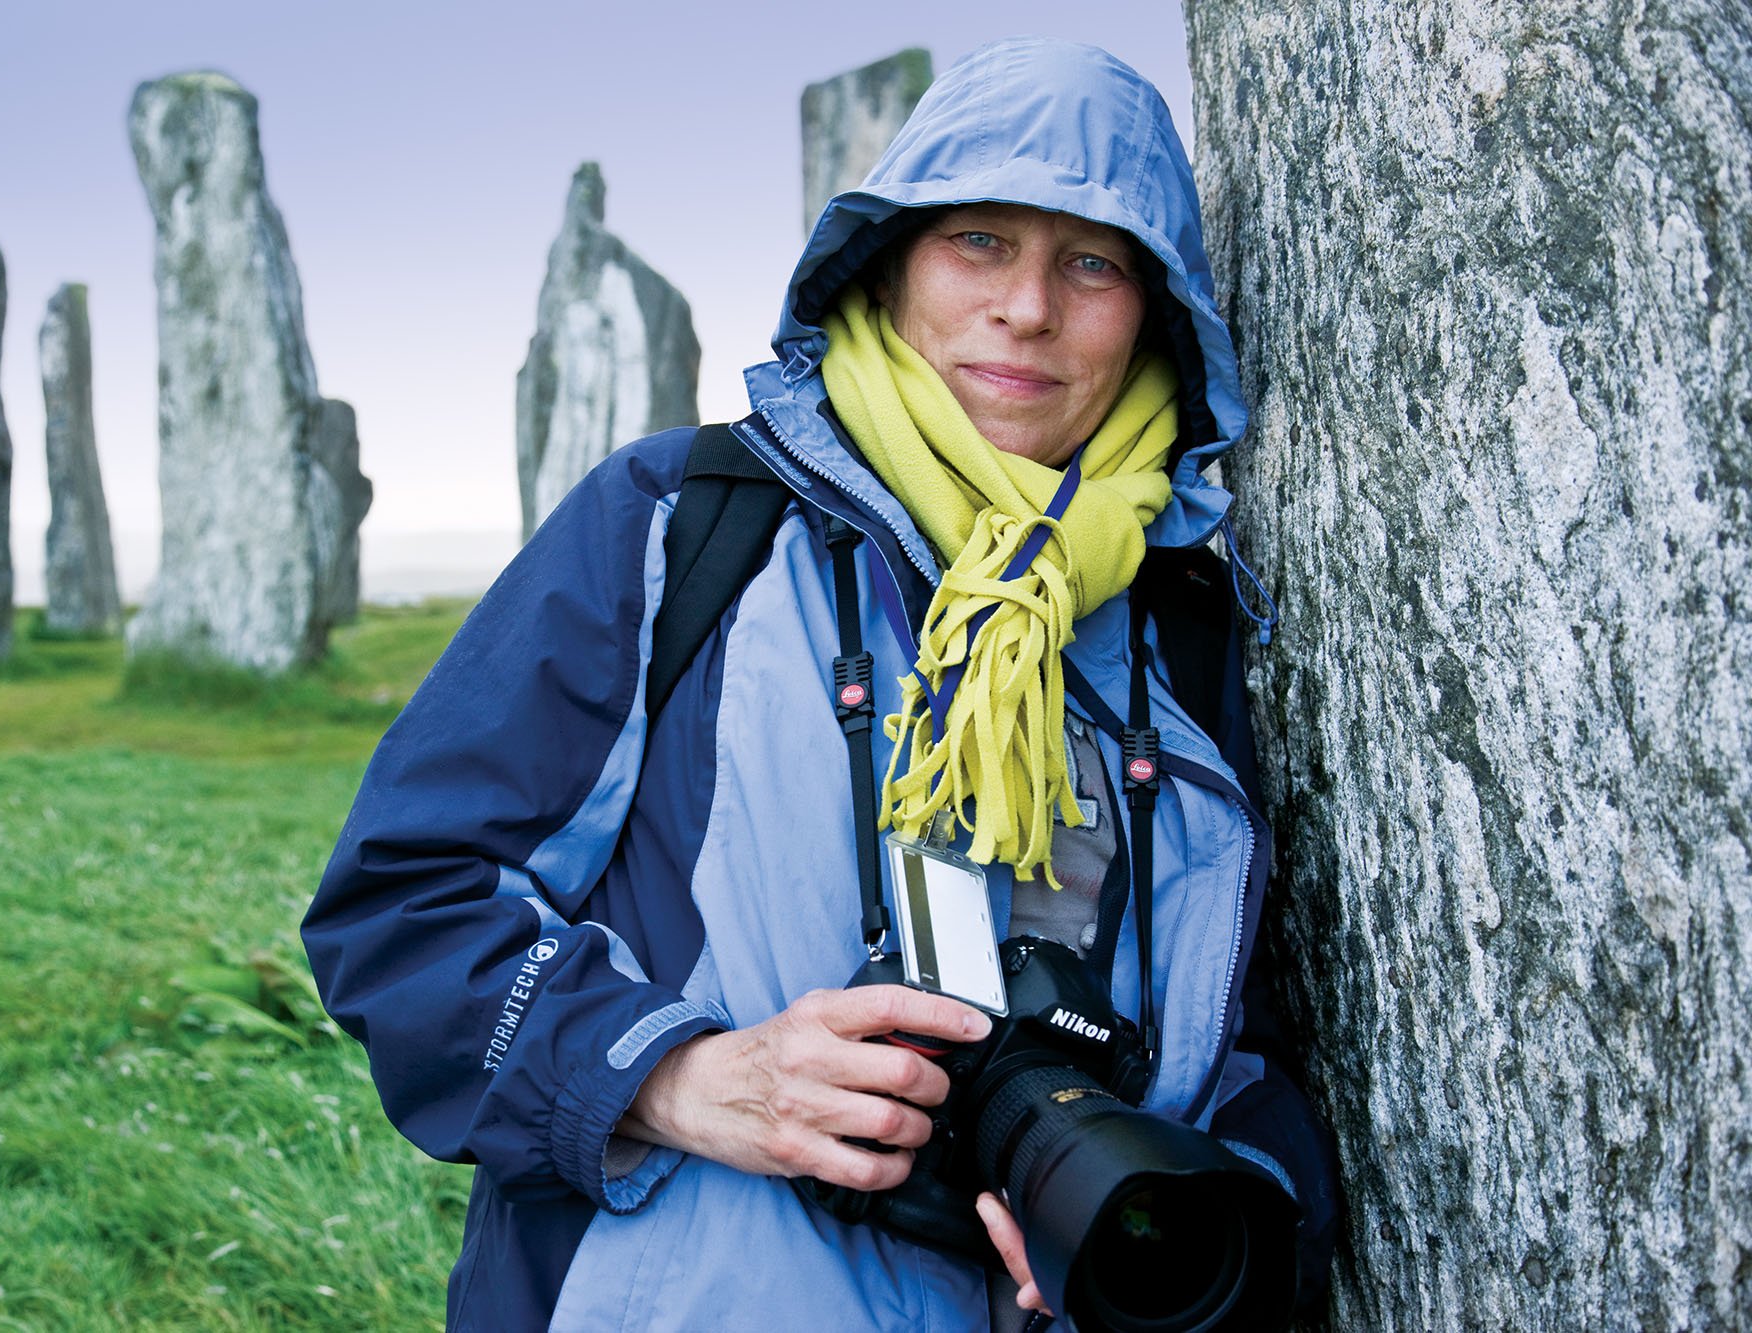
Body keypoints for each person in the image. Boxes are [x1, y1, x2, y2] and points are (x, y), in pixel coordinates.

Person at [304, 37, 1337, 1331]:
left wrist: (1189, 1221)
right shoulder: (684, 523)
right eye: (977, 241)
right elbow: (404, 905)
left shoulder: (1186, 623)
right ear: (889, 263)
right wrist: (678, 1078)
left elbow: (1258, 1051)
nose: (1028, 308)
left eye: (1094, 263)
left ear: (1157, 309)